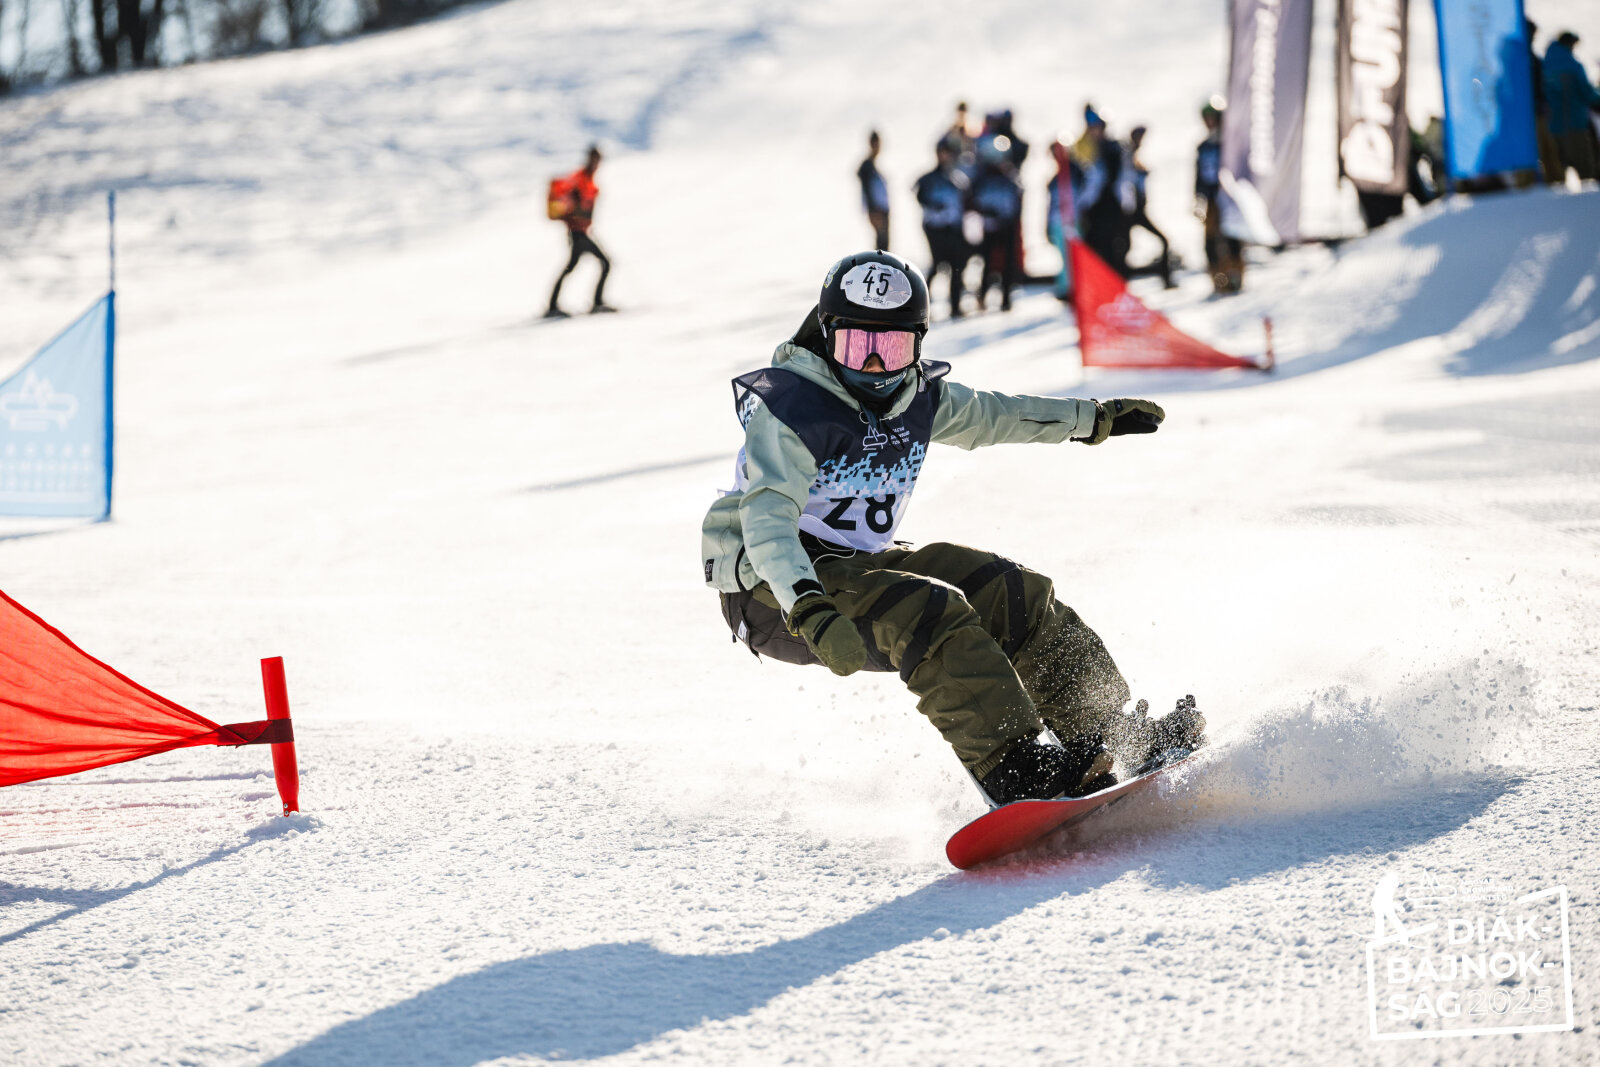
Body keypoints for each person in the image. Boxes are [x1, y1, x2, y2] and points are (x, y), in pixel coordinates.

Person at [700, 250, 1206, 805]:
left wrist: (1092, 419)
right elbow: (767, 519)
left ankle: (1112, 737)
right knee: (927, 610)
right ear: (827, 335)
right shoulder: (796, 409)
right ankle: (1018, 771)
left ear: (917, 344)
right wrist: (808, 607)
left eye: (890, 348)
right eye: (856, 347)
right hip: (768, 590)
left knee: (1010, 591)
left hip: (855, 569)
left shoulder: (916, 396)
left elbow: (995, 415)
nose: (872, 367)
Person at [545, 145, 614, 318]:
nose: (597, 163)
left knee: (572, 267)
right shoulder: (579, 178)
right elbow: (567, 200)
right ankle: (596, 303)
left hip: (581, 232)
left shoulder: (588, 179)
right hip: (577, 233)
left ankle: (553, 306)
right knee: (605, 262)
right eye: (595, 159)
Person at [913, 141, 971, 318]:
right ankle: (921, 308)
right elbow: (919, 196)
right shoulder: (929, 179)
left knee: (956, 267)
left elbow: (966, 200)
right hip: (935, 228)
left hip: (953, 228)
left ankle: (955, 306)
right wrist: (934, 207)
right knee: (937, 265)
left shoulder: (958, 178)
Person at [1071, 108, 1131, 278]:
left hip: (1111, 204)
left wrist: (1125, 202)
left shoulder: (1112, 148)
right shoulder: (1087, 148)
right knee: (1094, 245)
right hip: (1094, 208)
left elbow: (1118, 179)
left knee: (1113, 247)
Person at [968, 138, 1025, 311]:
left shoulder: (1010, 177)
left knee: (1007, 264)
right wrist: (987, 211)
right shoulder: (982, 178)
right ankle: (983, 296)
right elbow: (972, 201)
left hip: (1006, 226)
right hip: (990, 227)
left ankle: (1006, 298)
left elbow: (1018, 200)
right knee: (987, 263)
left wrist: (1008, 216)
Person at [1195, 99, 1244, 294]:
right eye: (1206, 118)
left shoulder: (1228, 144)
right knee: (1210, 239)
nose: (1209, 122)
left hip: (1228, 198)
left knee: (1231, 237)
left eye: (1212, 118)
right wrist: (1198, 197)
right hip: (1210, 199)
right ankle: (1217, 278)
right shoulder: (1203, 147)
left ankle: (1235, 275)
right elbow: (1198, 174)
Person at [1123, 125, 1175, 288]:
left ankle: (1166, 279)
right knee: (1124, 248)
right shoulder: (1126, 157)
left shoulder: (1135, 158)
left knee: (1163, 241)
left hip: (1140, 211)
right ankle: (1120, 284)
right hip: (1129, 212)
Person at [1544, 31, 1600, 181]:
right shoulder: (1573, 65)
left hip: (1552, 127)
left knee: (1557, 172)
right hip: (1575, 123)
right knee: (1586, 171)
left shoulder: (1544, 64)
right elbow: (1587, 93)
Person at [858, 131, 892, 250]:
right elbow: (867, 189)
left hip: (882, 209)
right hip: (877, 210)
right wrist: (873, 210)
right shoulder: (867, 167)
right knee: (882, 243)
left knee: (884, 241)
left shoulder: (873, 165)